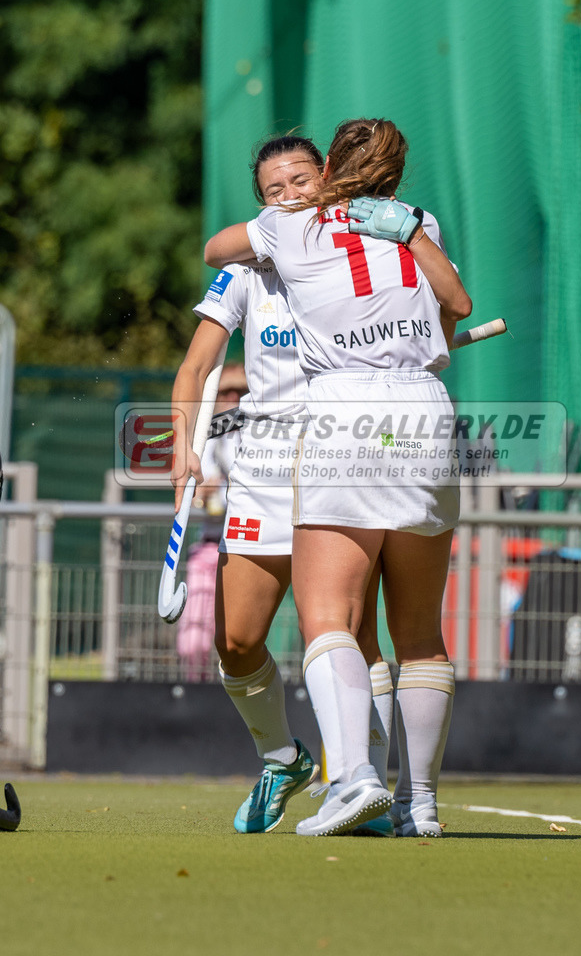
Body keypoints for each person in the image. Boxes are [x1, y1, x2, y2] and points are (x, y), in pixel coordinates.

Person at [203, 118, 472, 837]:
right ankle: (421, 807)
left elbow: (213, 248)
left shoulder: (290, 229)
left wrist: (280, 213)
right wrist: (407, 229)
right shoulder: (418, 221)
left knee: (329, 619)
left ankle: (351, 778)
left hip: (342, 410)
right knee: (418, 630)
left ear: (328, 171)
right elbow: (458, 308)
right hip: (424, 407)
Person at [172, 135, 394, 835]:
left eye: (301, 179)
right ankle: (282, 756)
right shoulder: (244, 269)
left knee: (351, 629)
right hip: (265, 463)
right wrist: (183, 448)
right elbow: (196, 368)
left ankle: (362, 784)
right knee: (236, 640)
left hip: (341, 448)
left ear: (326, 179)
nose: (290, 192)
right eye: (274, 189)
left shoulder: (356, 249)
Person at [175, 362, 247, 682]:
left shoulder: (261, 435)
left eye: (241, 391)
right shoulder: (201, 439)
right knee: (193, 643)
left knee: (241, 644)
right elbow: (193, 499)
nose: (233, 398)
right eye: (225, 391)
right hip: (209, 549)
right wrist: (203, 493)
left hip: (247, 550)